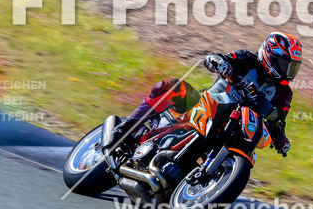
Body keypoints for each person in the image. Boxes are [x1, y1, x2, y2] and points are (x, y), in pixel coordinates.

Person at [119, 32, 301, 156]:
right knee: (171, 86)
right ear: (270, 56)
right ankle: (125, 129)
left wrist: (281, 138)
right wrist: (219, 63)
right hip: (202, 106)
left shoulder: (284, 93)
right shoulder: (247, 59)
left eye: (293, 66)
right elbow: (216, 57)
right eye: (285, 64)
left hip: (232, 129)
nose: (288, 71)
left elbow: (279, 120)